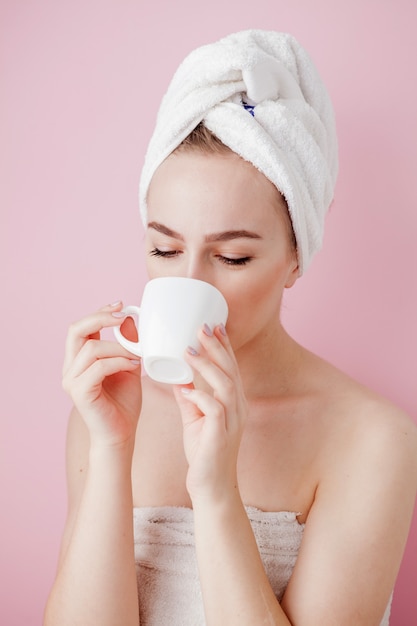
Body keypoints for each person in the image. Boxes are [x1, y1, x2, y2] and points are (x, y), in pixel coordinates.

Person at [44, 30, 417, 626]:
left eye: (233, 257)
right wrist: (113, 451)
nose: (191, 282)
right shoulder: (108, 411)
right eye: (165, 249)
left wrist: (215, 490)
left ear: (296, 258)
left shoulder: (372, 440)